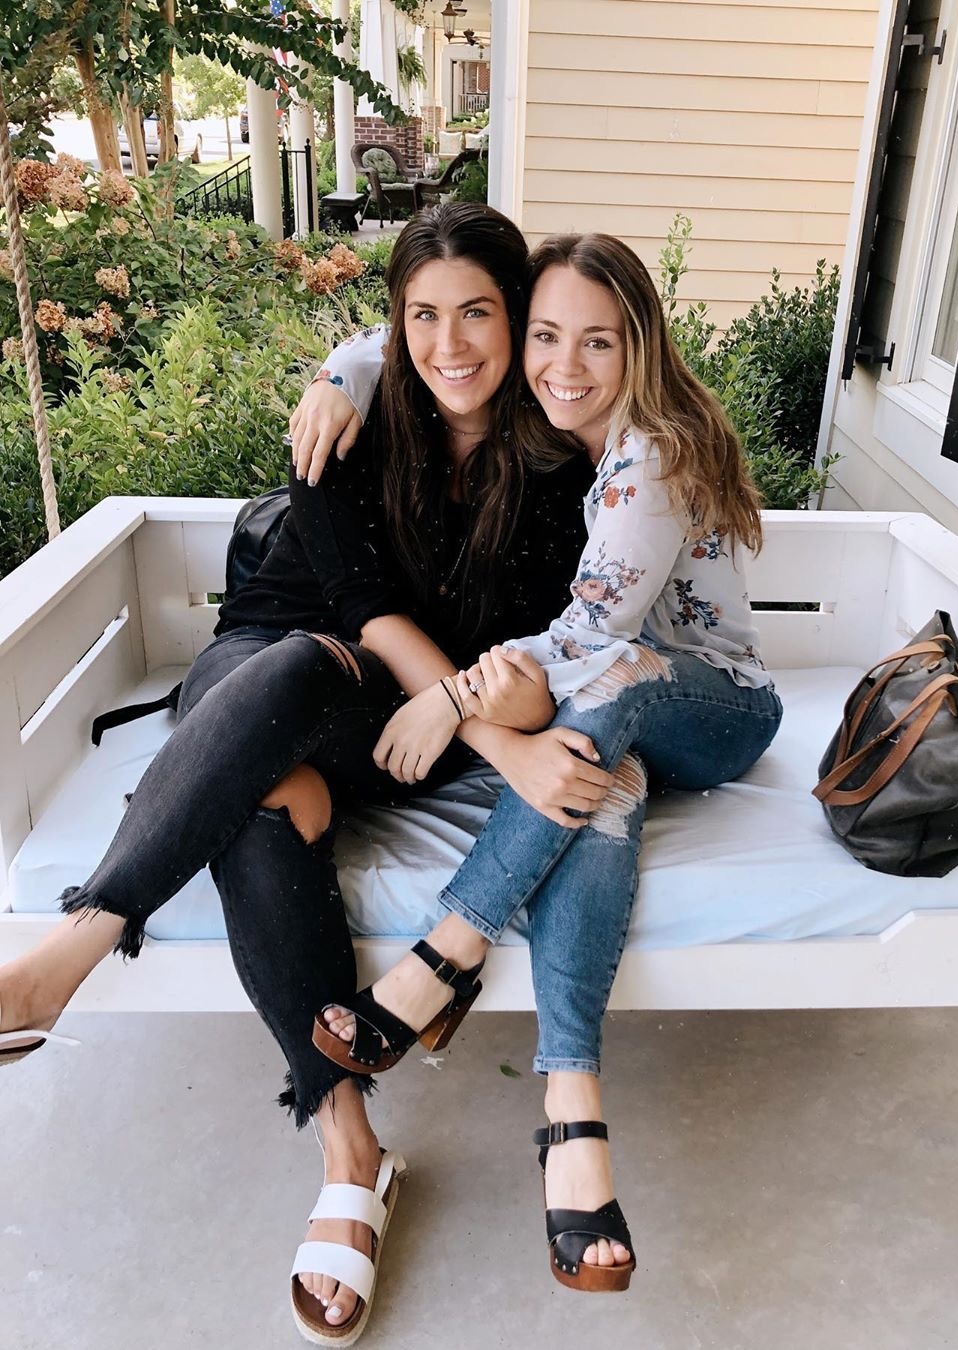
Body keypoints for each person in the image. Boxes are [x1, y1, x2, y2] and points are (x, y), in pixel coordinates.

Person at [0, 203, 604, 1344]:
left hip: (407, 710)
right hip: (266, 669)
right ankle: (349, 1153)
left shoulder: (560, 471)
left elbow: (525, 652)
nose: (449, 344)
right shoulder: (350, 429)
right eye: (421, 316)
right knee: (271, 764)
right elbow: (360, 605)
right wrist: (495, 741)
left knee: (286, 730)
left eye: (477, 313)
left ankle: (74, 951)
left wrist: (480, 725)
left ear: (517, 315)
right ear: (395, 324)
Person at [289, 232, 784, 1293]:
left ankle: (446, 954)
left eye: (596, 341)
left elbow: (590, 640)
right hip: (628, 718)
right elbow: (414, 331)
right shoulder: (578, 435)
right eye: (547, 335)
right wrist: (343, 368)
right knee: (600, 779)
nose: (563, 363)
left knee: (609, 685)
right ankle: (573, 1116)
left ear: (637, 346)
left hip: (721, 710)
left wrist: (451, 696)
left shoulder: (649, 455)